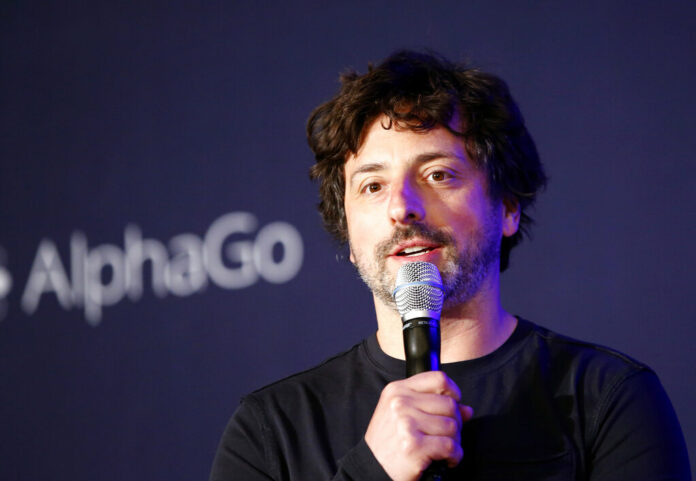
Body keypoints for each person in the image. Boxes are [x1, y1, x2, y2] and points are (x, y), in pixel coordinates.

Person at [209, 50, 690, 481]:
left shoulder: (607, 399)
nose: (402, 206)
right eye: (372, 186)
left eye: (438, 174)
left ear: (506, 207)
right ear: (349, 237)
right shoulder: (270, 430)